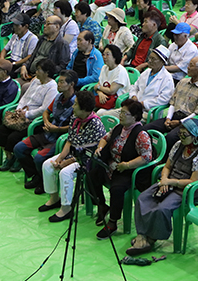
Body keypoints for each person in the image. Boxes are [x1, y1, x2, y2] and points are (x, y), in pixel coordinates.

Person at [127, 117, 198, 255]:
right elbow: (167, 166)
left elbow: (193, 181)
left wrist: (170, 182)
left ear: (195, 136)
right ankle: (142, 235)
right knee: (143, 198)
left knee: (162, 208)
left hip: (186, 190)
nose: (181, 136)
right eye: (180, 133)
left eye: (185, 134)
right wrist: (164, 178)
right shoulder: (179, 145)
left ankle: (152, 238)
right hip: (170, 182)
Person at [89, 98, 153, 239]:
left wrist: (128, 164)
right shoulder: (119, 127)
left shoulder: (141, 134)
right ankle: (101, 205)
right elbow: (105, 138)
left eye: (125, 113)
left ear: (135, 117)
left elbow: (146, 157)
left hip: (126, 170)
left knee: (117, 189)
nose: (121, 116)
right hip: (111, 165)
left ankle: (112, 223)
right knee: (91, 174)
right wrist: (100, 147)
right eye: (121, 112)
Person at [39, 90, 108, 222]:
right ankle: (54, 199)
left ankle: (66, 209)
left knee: (65, 173)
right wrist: (59, 159)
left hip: (87, 159)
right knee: (47, 165)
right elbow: (69, 141)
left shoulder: (95, 124)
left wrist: (66, 162)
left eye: (75, 104)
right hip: (74, 152)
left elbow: (88, 152)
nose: (72, 107)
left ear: (85, 109)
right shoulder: (75, 119)